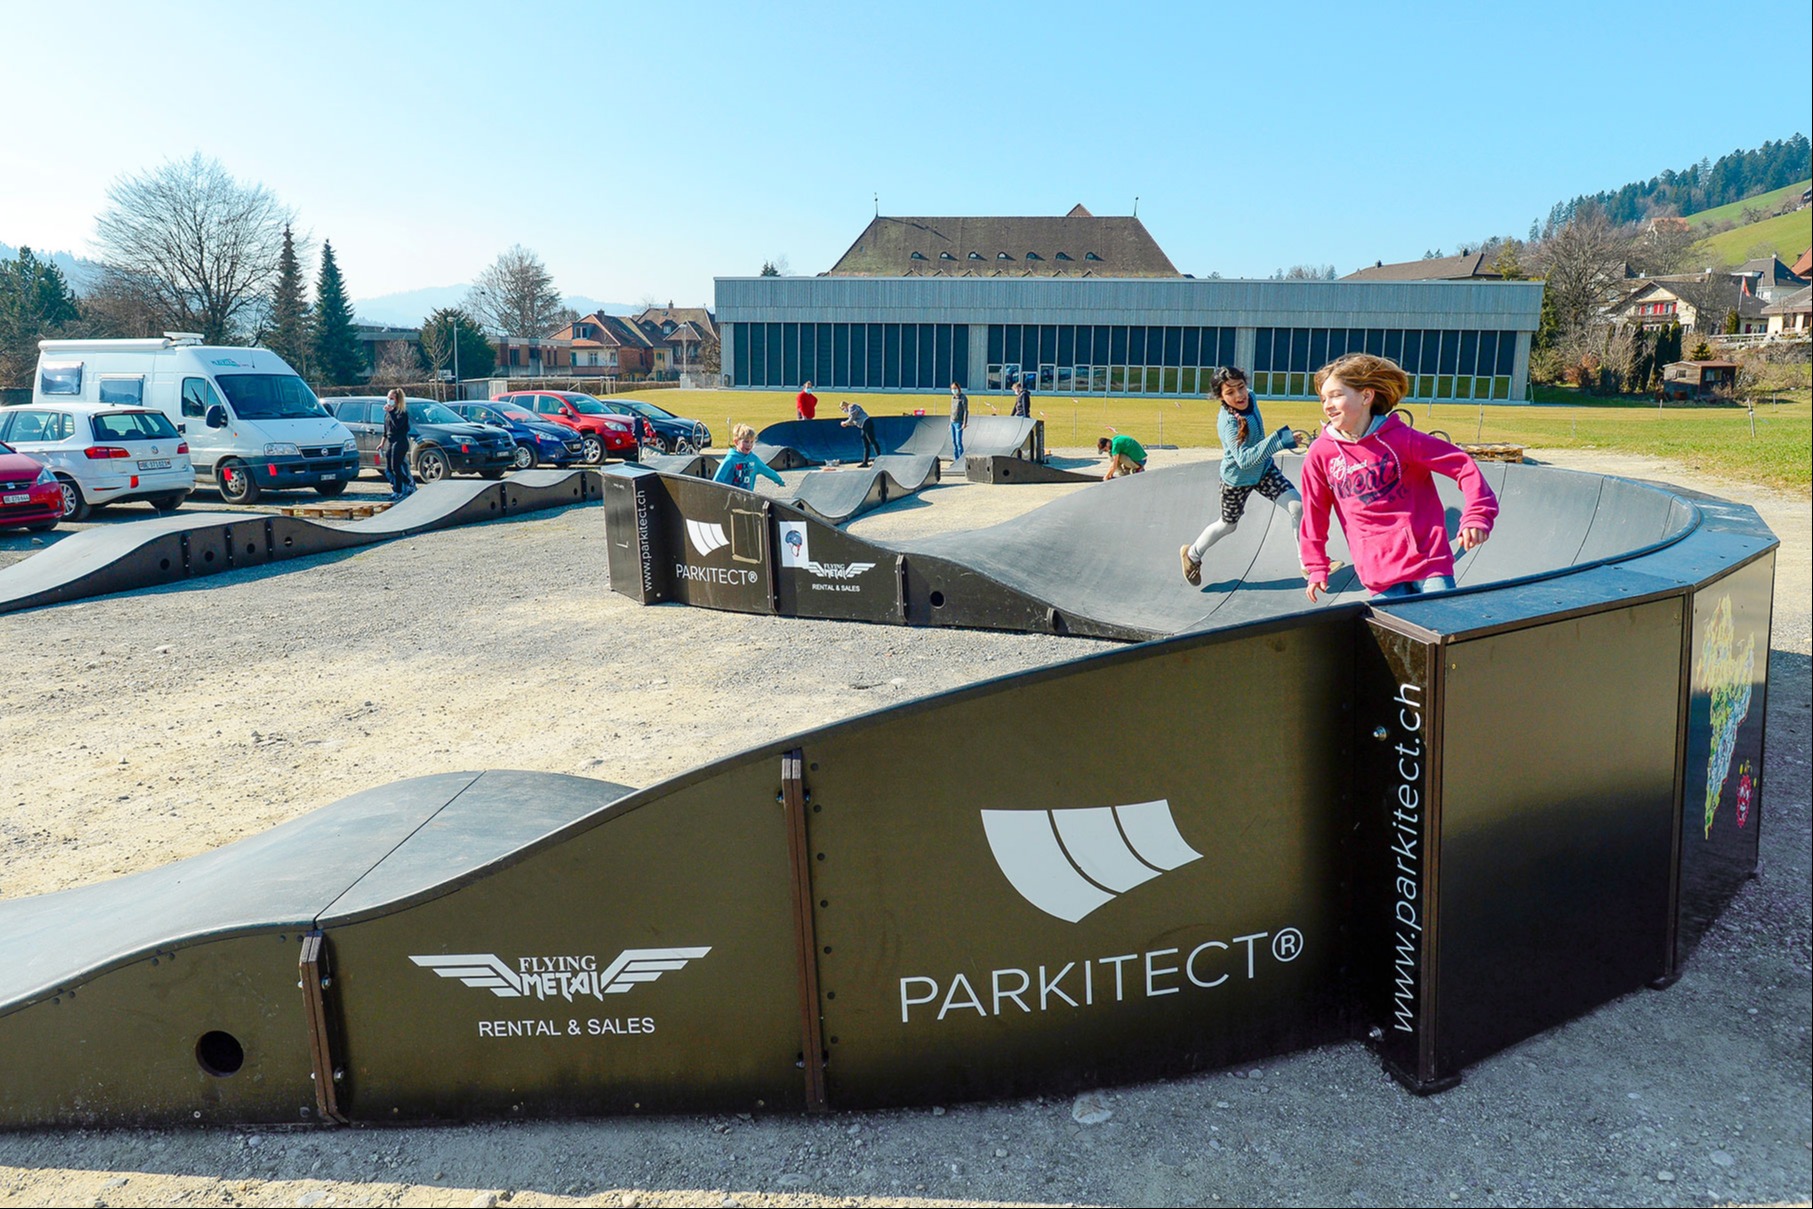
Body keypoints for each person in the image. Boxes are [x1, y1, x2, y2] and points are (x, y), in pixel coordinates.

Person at [1299, 353, 1497, 602]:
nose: (1327, 405)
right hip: (1377, 569)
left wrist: (1477, 515)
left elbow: (1463, 466)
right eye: (1323, 398)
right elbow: (1314, 511)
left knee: (1440, 627)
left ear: (1366, 396)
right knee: (1395, 638)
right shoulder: (1321, 452)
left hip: (1427, 560)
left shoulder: (1402, 439)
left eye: (1336, 395)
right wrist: (1316, 564)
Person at [1179, 367, 1299, 587]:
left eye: (1241, 387)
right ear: (1220, 397)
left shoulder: (1251, 397)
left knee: (1297, 507)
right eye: (1230, 392)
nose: (1239, 395)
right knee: (1228, 525)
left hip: (1264, 471)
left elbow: (1256, 451)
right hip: (1236, 480)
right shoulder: (1228, 423)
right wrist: (1281, 440)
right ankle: (1193, 554)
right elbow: (1244, 460)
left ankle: (1309, 564)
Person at [712, 423, 786, 491]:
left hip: (747, 496)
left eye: (751, 442)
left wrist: (778, 480)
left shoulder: (753, 459)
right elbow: (718, 478)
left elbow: (767, 471)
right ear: (736, 442)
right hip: (731, 496)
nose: (749, 445)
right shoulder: (730, 460)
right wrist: (715, 491)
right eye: (746, 442)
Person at [382, 389, 415, 501]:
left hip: (400, 441)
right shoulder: (387, 413)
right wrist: (382, 443)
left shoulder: (401, 413)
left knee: (396, 466)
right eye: (388, 397)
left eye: (392, 398)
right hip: (391, 441)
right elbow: (386, 430)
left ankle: (398, 491)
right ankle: (408, 482)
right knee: (389, 468)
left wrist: (391, 412)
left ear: (397, 400)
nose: (389, 400)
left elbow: (397, 425)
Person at [840, 401, 880, 467]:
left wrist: (845, 422)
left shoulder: (852, 407)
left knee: (872, 441)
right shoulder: (851, 410)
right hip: (863, 425)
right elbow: (854, 422)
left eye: (842, 409)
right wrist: (847, 424)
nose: (843, 410)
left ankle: (880, 457)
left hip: (866, 423)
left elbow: (852, 418)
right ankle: (865, 462)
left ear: (844, 406)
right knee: (866, 445)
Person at [948, 382, 969, 463]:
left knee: (958, 441)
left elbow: (965, 411)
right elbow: (952, 410)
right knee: (953, 442)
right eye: (952, 389)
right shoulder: (953, 398)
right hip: (952, 421)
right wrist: (950, 422)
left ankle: (961, 459)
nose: (954, 390)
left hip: (959, 422)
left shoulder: (963, 398)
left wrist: (964, 423)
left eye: (955, 388)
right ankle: (956, 459)